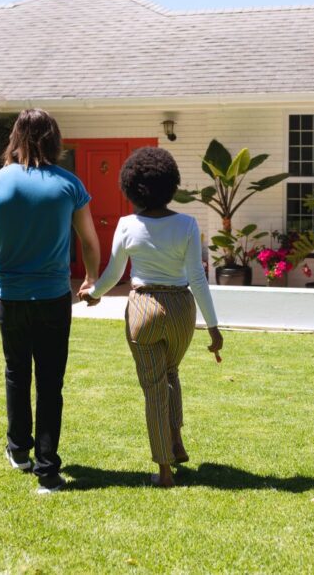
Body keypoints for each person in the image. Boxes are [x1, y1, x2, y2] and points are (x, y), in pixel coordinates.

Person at [0, 108, 101, 494]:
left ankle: (19, 451)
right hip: (54, 298)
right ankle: (47, 470)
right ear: (54, 140)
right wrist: (91, 278)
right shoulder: (69, 184)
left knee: (16, 373)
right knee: (49, 382)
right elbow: (89, 241)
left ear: (15, 139)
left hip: (12, 298)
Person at [80, 147, 223, 488]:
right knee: (171, 372)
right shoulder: (188, 225)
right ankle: (176, 441)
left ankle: (164, 471)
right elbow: (197, 277)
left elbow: (115, 273)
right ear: (171, 184)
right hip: (181, 310)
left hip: (143, 307)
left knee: (154, 389)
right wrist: (214, 327)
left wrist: (94, 294)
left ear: (131, 187)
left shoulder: (127, 224)